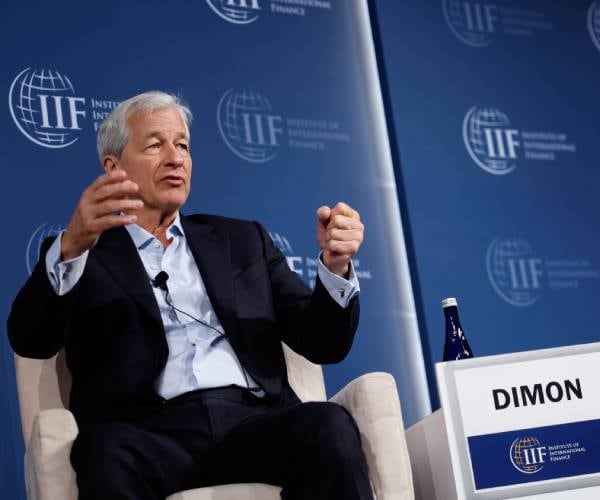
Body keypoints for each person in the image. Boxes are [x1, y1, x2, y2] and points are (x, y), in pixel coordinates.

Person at [8, 91, 370, 500]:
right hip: (148, 435)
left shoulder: (241, 240)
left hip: (252, 424)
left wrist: (336, 267)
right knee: (105, 454)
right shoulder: (82, 254)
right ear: (113, 167)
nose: (175, 158)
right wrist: (71, 248)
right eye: (155, 145)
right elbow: (31, 339)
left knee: (328, 426)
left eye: (182, 145)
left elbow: (323, 343)